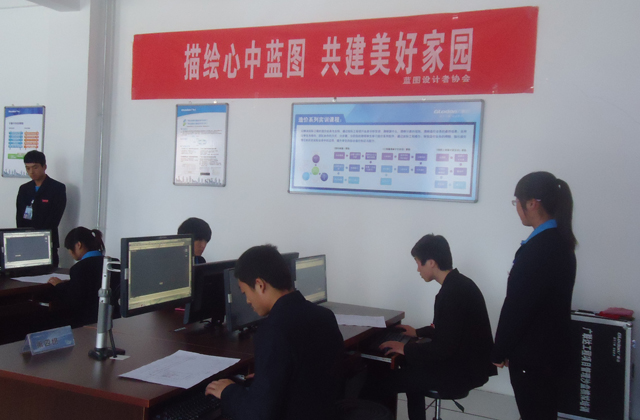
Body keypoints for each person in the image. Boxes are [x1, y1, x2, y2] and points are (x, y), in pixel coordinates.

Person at [365, 234, 496, 420]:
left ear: (431, 262)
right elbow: (449, 330)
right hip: (467, 365)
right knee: (411, 366)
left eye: (418, 263)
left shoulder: (452, 294)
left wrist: (405, 348)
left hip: (460, 372)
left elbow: (443, 348)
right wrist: (417, 333)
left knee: (378, 383)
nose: (418, 269)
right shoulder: (459, 284)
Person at [205, 245, 344, 420]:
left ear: (260, 285)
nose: (247, 301)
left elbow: (258, 415)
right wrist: (267, 377)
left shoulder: (273, 331)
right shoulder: (324, 315)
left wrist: (228, 391)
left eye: (245, 293)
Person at [492, 171, 577, 420]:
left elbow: (517, 307)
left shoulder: (539, 249)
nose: (516, 208)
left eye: (516, 202)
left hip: (534, 358)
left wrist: (499, 350)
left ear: (532, 203)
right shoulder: (560, 242)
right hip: (551, 352)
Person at [16, 150, 67, 267]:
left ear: (44, 167)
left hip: (47, 241)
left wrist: (37, 237)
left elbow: (55, 218)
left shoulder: (57, 188)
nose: (31, 172)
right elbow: (19, 216)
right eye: (28, 168)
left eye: (35, 167)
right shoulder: (24, 189)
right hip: (26, 242)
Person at [48, 227, 105, 327]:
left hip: (85, 322)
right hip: (109, 320)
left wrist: (59, 286)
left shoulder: (79, 268)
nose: (70, 252)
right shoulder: (111, 263)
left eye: (69, 248)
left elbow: (73, 301)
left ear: (79, 245)